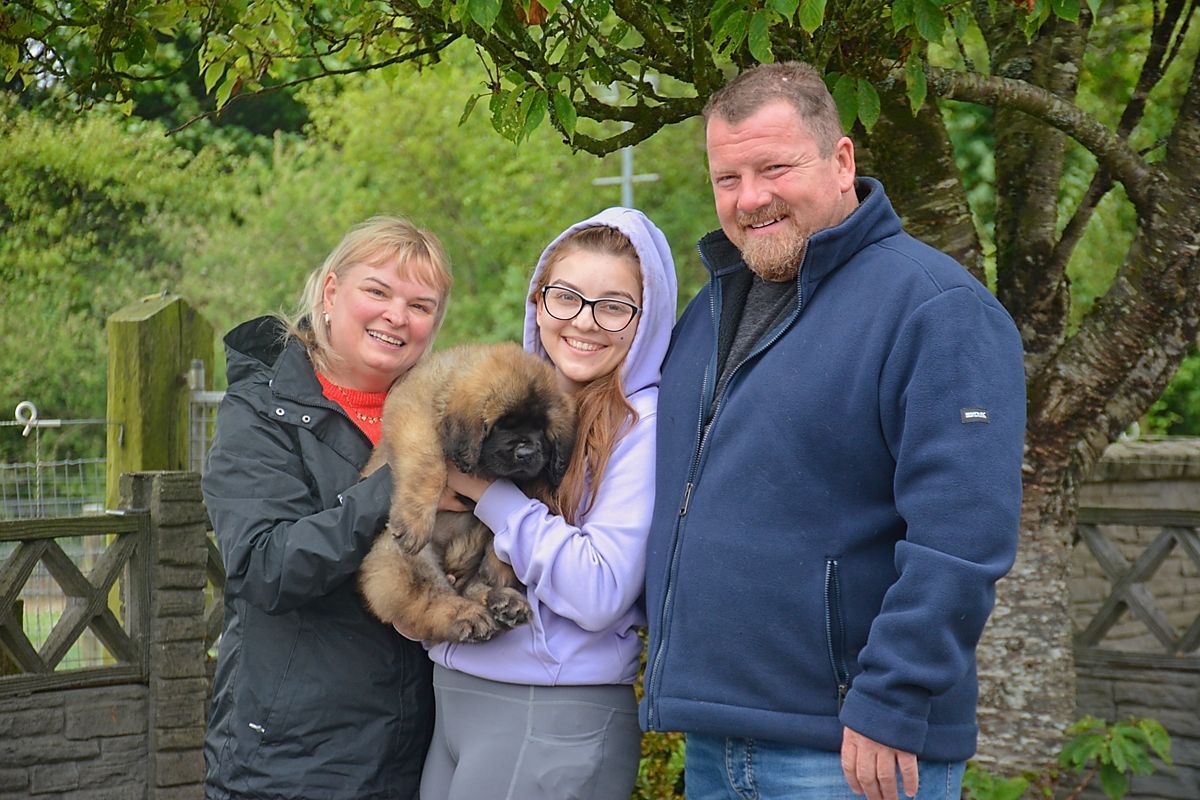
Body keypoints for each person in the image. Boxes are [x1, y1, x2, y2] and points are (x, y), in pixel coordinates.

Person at [640, 62, 1027, 800]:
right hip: (717, 737)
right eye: (728, 178)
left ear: (841, 159)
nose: (750, 198)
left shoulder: (936, 309)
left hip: (852, 749)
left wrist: (891, 698)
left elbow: (963, 537)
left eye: (774, 168)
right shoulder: (711, 310)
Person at [416, 207, 678, 800]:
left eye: (614, 306)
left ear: (647, 318)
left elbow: (600, 591)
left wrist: (488, 495)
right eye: (567, 297)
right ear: (538, 302)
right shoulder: (508, 408)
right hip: (457, 698)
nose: (586, 322)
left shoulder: (643, 426)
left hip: (550, 712)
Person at [201, 215, 453, 800]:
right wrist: (401, 481)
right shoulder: (260, 413)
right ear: (331, 292)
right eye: (378, 291)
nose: (397, 315)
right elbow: (268, 568)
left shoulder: (438, 416)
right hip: (292, 762)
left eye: (421, 305)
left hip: (416, 755)